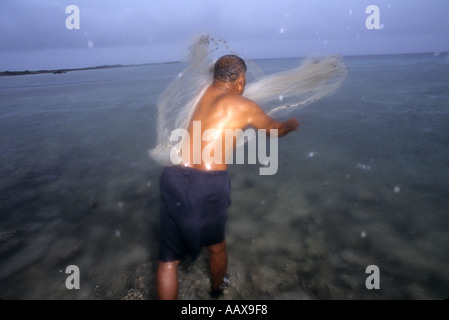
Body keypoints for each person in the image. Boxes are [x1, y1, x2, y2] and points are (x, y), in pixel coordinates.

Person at [156, 55, 299, 300]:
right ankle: (217, 291)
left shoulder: (201, 92)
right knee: (217, 247)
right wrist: (290, 125)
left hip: (173, 177)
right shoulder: (243, 106)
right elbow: (274, 131)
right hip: (207, 184)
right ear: (241, 80)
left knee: (168, 261)